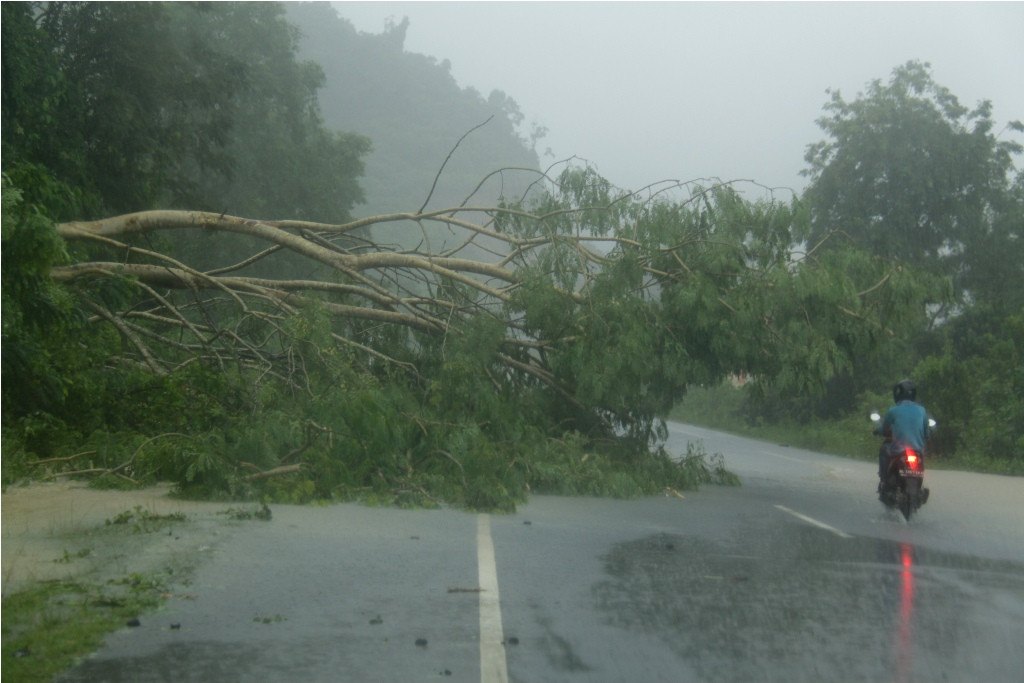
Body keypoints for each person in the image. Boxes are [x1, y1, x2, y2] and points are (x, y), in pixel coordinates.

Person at [875, 378, 930, 492]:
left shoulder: (893, 410)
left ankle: (884, 480)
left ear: (897, 394)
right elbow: (927, 433)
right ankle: (919, 488)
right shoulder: (922, 410)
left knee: (884, 449)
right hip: (918, 452)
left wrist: (877, 431)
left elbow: (885, 429)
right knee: (922, 459)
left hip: (898, 451)